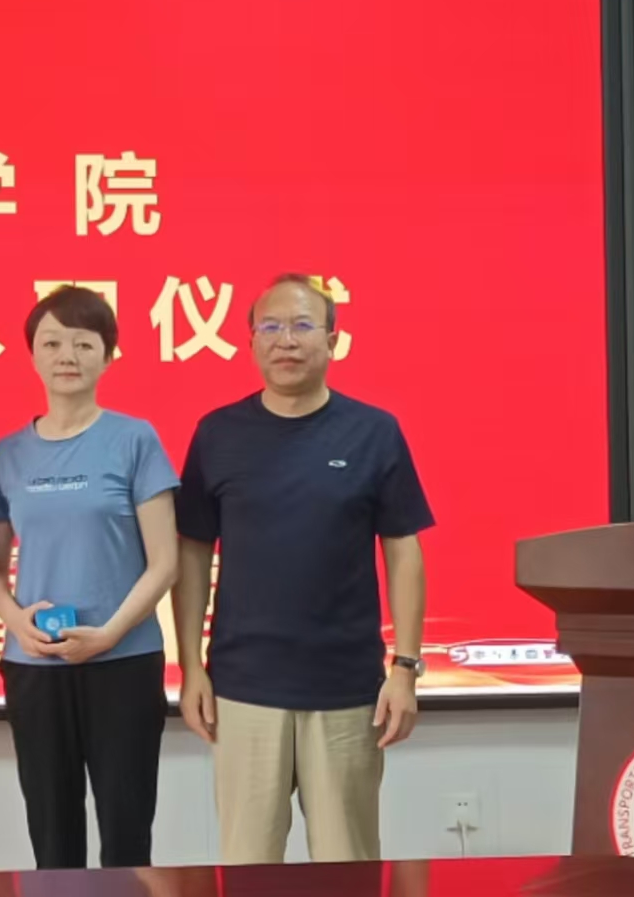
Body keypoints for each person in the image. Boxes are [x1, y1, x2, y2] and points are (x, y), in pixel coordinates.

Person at [172, 273, 433, 865]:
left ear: (333, 340)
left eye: (302, 326)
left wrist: (406, 669)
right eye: (270, 327)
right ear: (250, 342)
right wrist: (191, 668)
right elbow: (192, 554)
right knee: (247, 867)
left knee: (348, 867)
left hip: (346, 691)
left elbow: (403, 550)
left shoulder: (374, 432)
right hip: (243, 690)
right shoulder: (218, 433)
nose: (285, 340)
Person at [0, 285, 180, 870]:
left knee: (126, 833)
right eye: (52, 343)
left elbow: (165, 561)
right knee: (52, 835)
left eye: (84, 343)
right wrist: (18, 623)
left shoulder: (135, 439)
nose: (67, 355)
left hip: (123, 663)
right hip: (35, 667)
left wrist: (109, 634)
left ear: (108, 355)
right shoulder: (7, 454)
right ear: (32, 355)